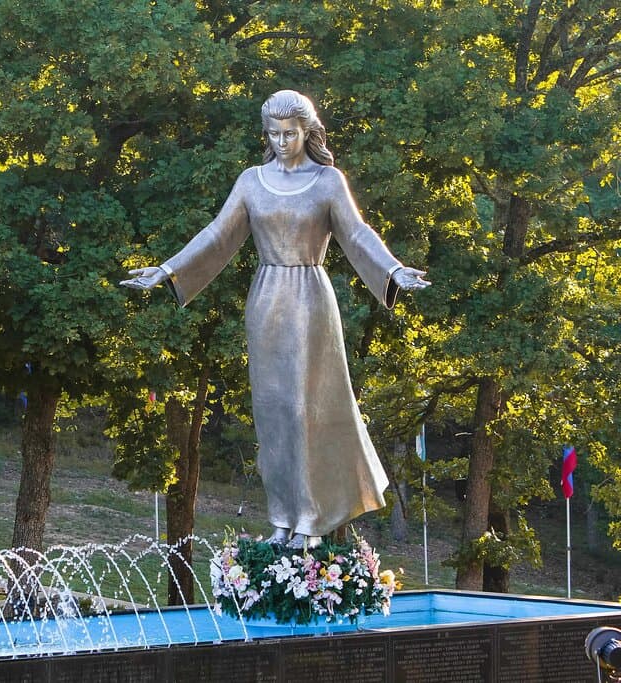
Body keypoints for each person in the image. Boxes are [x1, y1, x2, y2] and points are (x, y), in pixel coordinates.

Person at [121, 90, 429, 549]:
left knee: (306, 410)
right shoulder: (252, 181)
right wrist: (168, 269)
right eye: (274, 134)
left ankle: (311, 518)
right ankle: (283, 518)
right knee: (273, 413)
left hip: (310, 300)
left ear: (308, 132)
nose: (282, 142)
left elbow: (357, 233)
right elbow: (217, 234)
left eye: (290, 134)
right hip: (266, 301)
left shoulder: (327, 181)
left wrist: (393, 270)